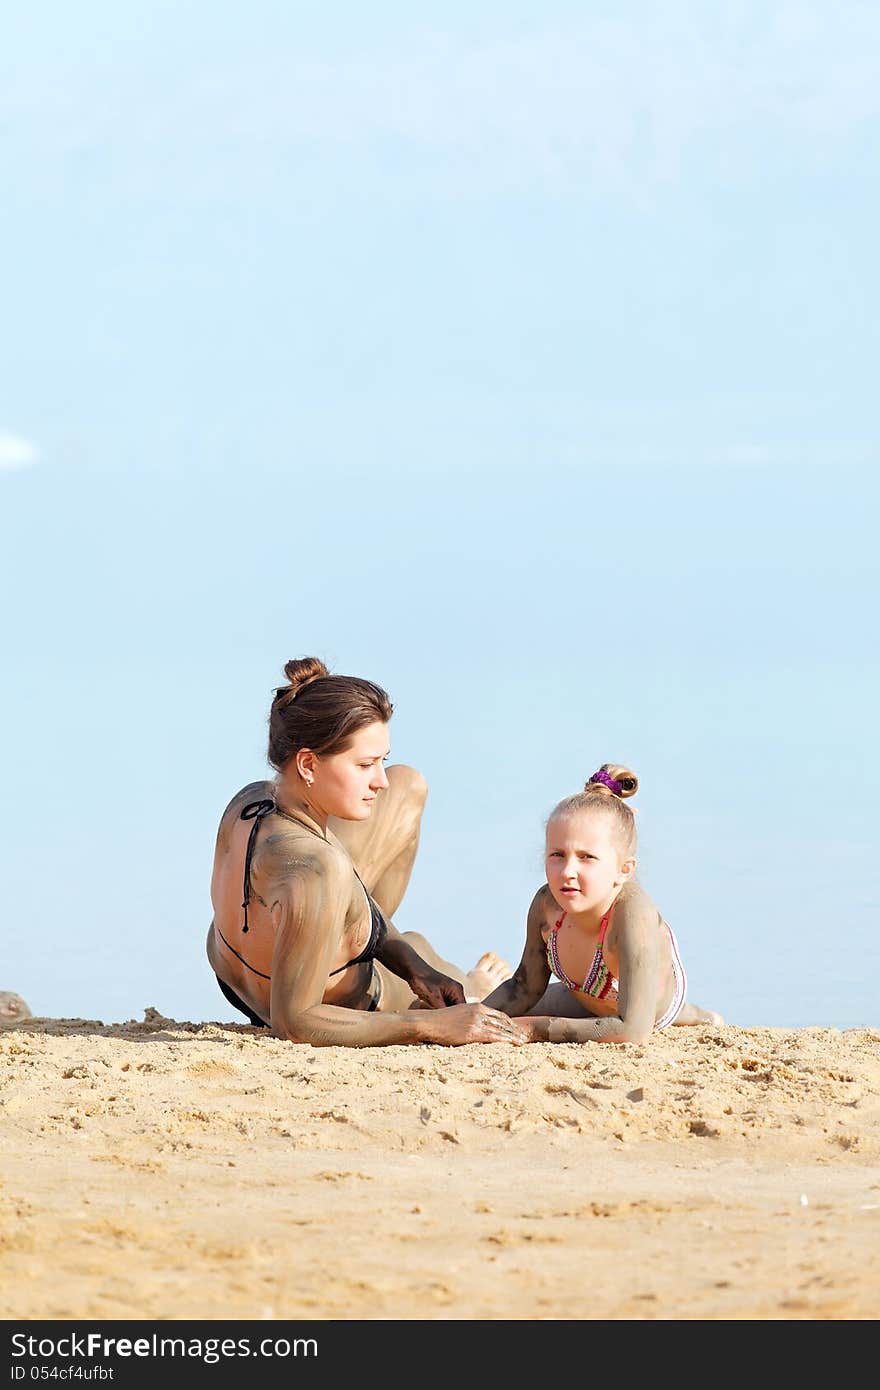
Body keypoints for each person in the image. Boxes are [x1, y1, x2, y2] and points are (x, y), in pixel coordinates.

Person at [207, 657, 526, 1047]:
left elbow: (345, 893)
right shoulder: (315, 870)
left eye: (380, 762)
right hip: (341, 1003)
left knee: (408, 785)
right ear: (308, 763)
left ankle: (422, 966)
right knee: (432, 961)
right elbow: (295, 1023)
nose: (379, 781)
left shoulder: (250, 802)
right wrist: (429, 1025)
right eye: (364, 765)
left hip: (238, 977)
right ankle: (472, 984)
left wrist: (416, 969)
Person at [482, 765, 724, 1044]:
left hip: (648, 1008)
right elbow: (523, 988)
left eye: (586, 857)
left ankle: (703, 1017)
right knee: (502, 1011)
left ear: (624, 870)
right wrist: (469, 1016)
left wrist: (532, 1030)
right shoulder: (546, 906)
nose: (568, 871)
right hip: (585, 996)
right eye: (557, 855)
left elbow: (634, 1031)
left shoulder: (633, 914)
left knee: (670, 1012)